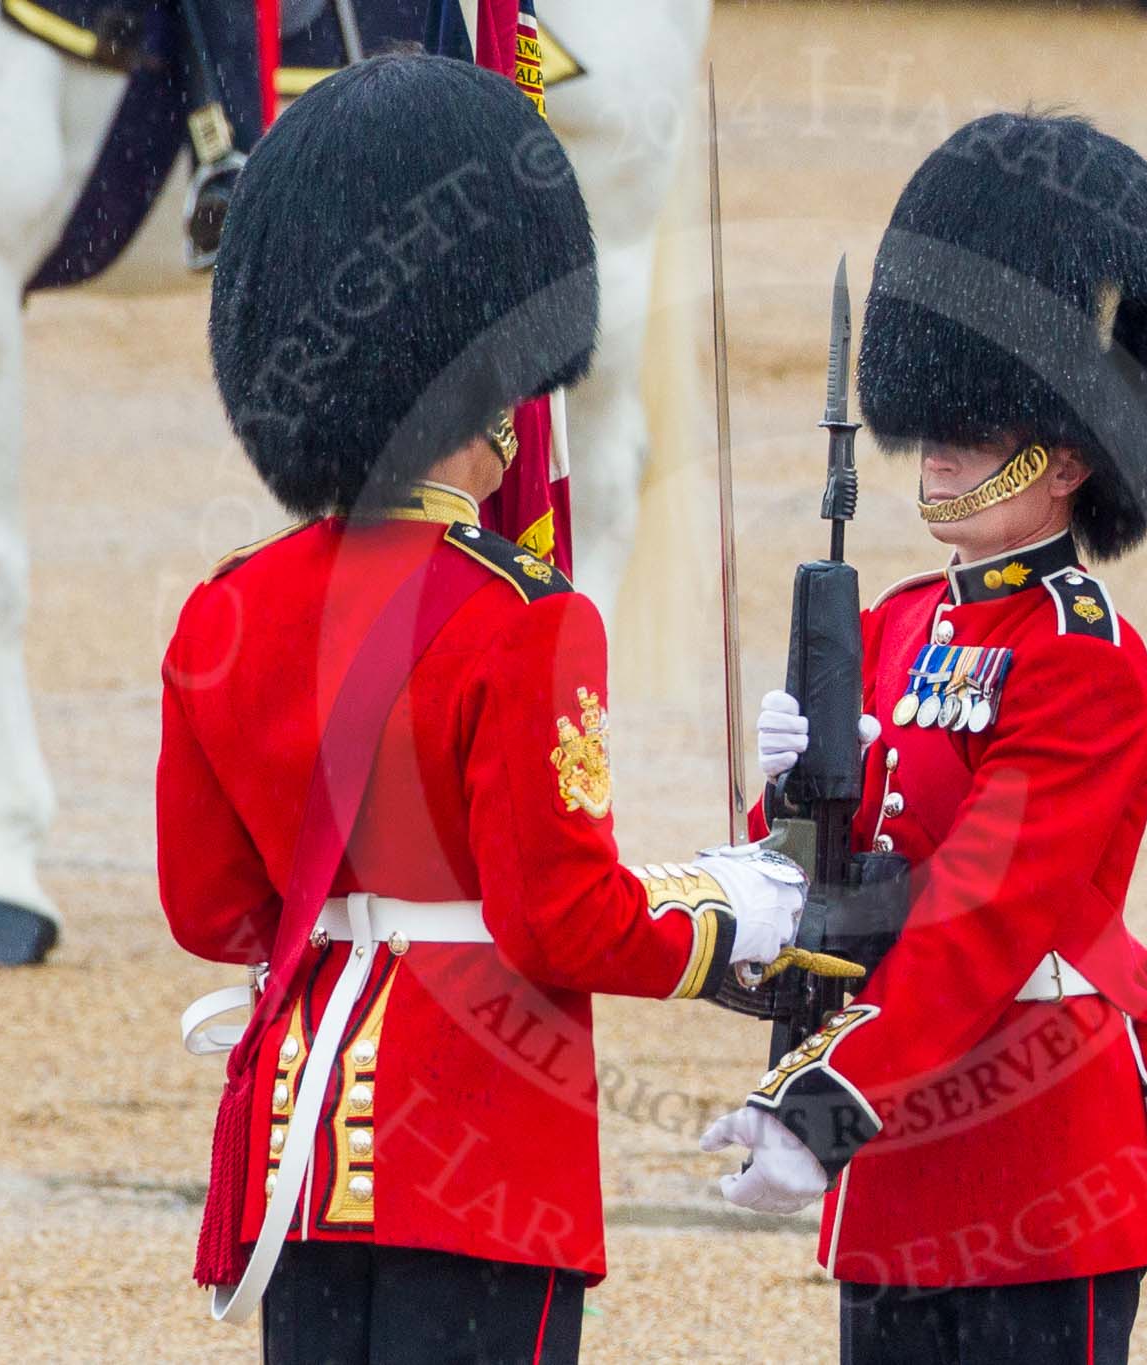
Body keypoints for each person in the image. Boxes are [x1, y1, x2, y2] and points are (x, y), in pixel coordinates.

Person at [157, 55, 803, 1362]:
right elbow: (560, 918)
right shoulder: (522, 614)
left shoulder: (229, 608)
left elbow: (210, 909)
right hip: (483, 1140)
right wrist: (735, 910)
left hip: (302, 1144)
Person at [699, 112, 1147, 1363]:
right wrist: (783, 802)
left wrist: (821, 1104)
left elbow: (984, 909)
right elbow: (845, 872)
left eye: (977, 428)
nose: (935, 447)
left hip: (1033, 1159)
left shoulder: (1083, 662)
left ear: (1066, 461)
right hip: (898, 1150)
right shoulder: (888, 625)